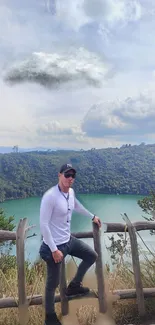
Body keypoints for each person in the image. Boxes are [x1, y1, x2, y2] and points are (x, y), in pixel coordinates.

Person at [39, 163, 101, 325]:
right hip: (53, 247)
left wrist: (92, 216)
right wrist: (54, 250)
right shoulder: (50, 196)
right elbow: (44, 225)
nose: (70, 178)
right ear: (59, 175)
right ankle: (50, 319)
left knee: (91, 255)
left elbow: (76, 206)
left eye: (73, 175)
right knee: (52, 284)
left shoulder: (71, 193)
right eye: (67, 175)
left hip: (68, 241)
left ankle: (74, 285)